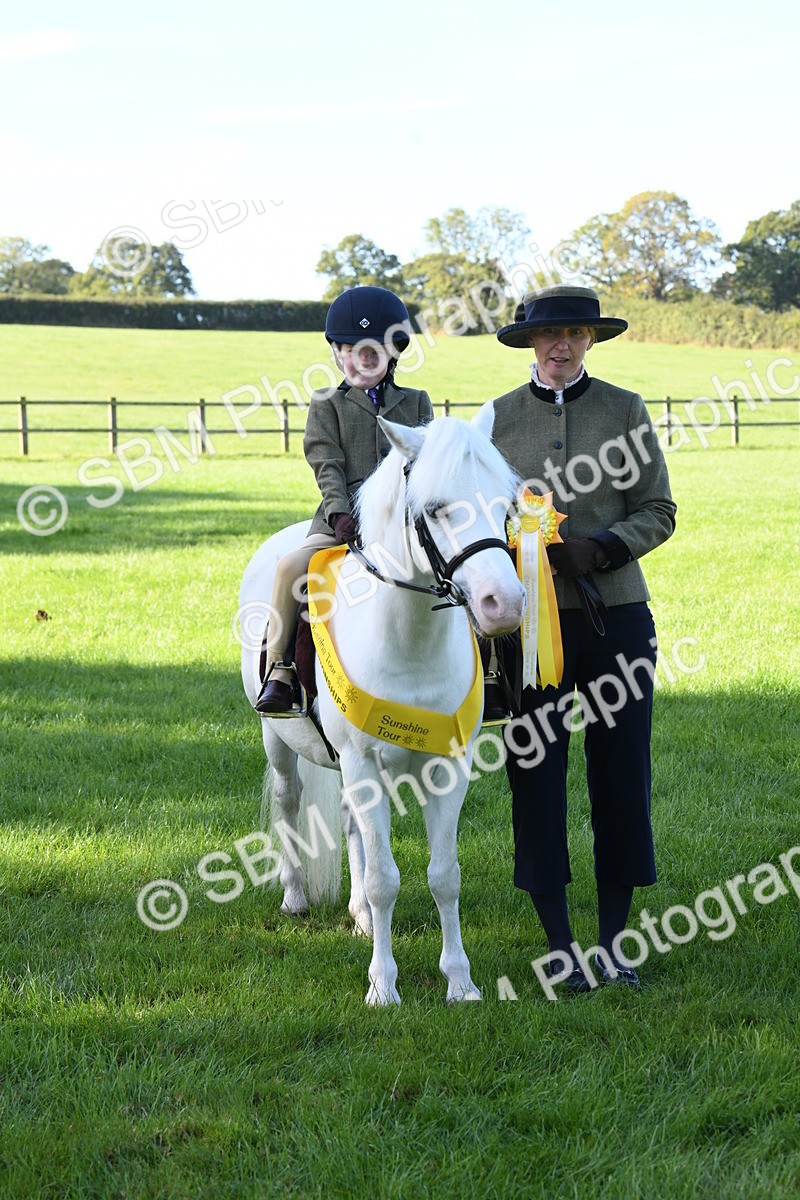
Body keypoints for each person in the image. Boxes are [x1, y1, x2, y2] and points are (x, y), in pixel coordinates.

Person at [483, 285, 677, 990]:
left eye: (573, 334)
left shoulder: (625, 409)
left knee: (621, 775)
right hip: (525, 631)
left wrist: (602, 548)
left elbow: (659, 509)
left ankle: (614, 945)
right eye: (548, 335)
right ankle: (560, 945)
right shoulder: (495, 419)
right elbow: (475, 516)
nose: (559, 345)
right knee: (535, 778)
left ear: (591, 340)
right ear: (531, 343)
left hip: (617, 620)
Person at [255, 286, 434, 714]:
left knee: (461, 565)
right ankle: (280, 669)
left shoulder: (416, 402)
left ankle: (489, 673)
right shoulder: (326, 404)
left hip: (404, 524)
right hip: (342, 521)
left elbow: (427, 466)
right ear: (336, 353)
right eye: (351, 350)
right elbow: (326, 464)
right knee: (290, 567)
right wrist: (339, 513)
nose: (361, 360)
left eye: (373, 351)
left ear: (393, 353)